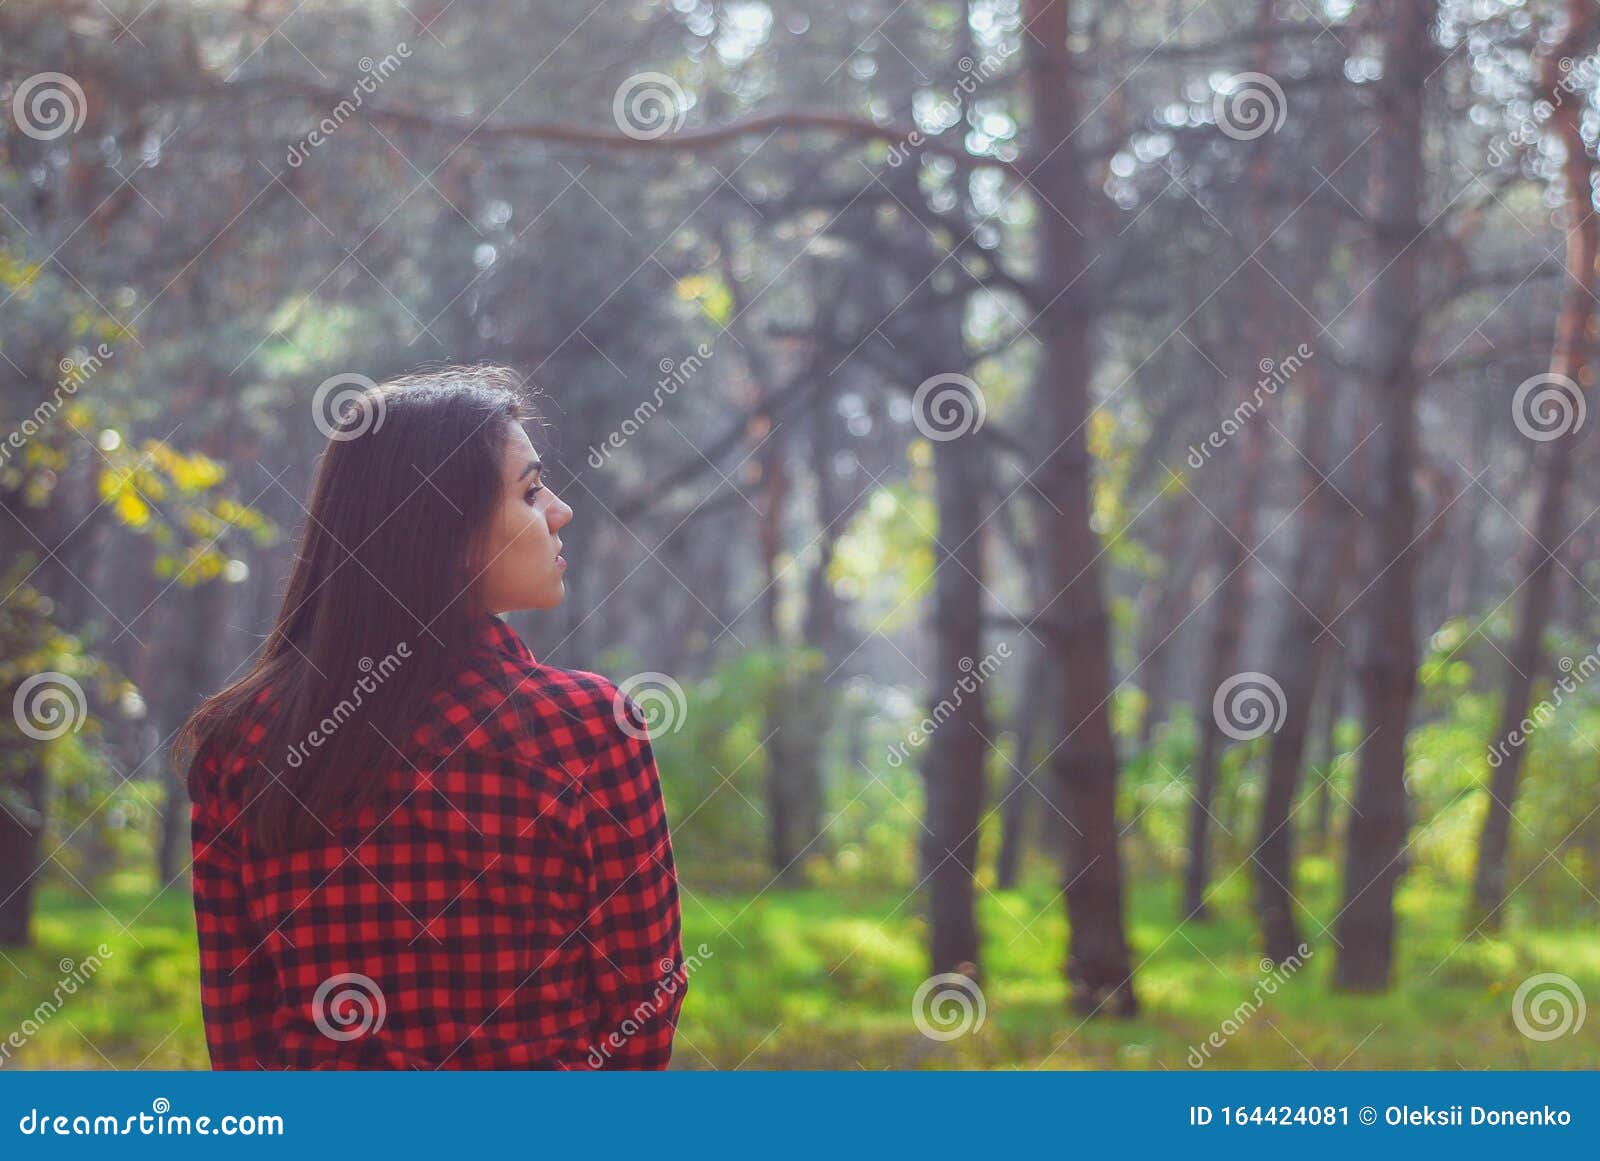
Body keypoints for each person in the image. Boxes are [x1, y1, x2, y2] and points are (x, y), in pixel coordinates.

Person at [177, 366, 683, 1069]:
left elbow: (239, 1031)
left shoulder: (241, 743)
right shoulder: (589, 730)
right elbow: (643, 1019)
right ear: (443, 529)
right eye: (530, 491)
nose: (559, 509)